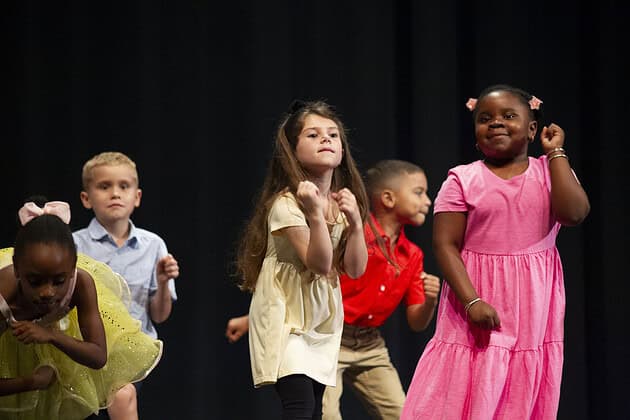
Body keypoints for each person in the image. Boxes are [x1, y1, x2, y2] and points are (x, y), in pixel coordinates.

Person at [401, 84, 590, 419]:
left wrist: (556, 153)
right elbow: (445, 245)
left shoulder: (550, 172)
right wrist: (471, 300)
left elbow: (573, 213)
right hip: (476, 295)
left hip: (533, 303)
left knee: (519, 382)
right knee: (470, 380)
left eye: (508, 116)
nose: (496, 123)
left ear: (533, 129)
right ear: (475, 134)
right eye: (485, 118)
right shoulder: (462, 179)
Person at [227, 160, 442, 419]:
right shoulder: (353, 236)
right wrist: (253, 319)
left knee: (403, 414)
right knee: (325, 415)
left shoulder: (412, 254)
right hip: (332, 337)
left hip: (370, 344)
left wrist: (430, 300)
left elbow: (417, 322)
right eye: (419, 192)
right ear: (388, 198)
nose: (428, 201)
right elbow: (313, 288)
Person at [235, 99, 369, 419]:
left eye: (332, 135)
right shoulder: (287, 203)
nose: (325, 139)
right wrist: (315, 215)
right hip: (286, 315)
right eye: (313, 135)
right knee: (300, 405)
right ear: (293, 150)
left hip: (320, 315)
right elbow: (319, 264)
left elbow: (354, 268)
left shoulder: (341, 201)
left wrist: (356, 223)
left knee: (316, 408)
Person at [0, 199, 162, 420]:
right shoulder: (3, 297)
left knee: (120, 396)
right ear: (18, 269)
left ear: (73, 266)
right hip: (11, 352)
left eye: (59, 281)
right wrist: (32, 382)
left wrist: (51, 335)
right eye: (35, 282)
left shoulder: (81, 282)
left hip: (61, 338)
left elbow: (98, 356)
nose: (48, 292)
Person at [73, 152, 179, 420]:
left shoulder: (153, 245)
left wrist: (164, 282)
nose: (115, 194)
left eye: (124, 186)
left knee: (122, 395)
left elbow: (159, 315)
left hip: (131, 352)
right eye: (104, 186)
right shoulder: (74, 245)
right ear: (86, 198)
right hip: (84, 349)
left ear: (137, 196)